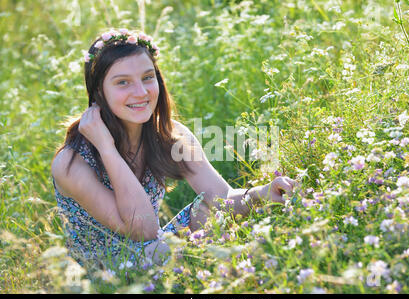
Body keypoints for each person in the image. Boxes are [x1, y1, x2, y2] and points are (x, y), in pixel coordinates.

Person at [51, 28, 296, 269]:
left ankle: (217, 272)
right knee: (167, 248)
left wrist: (261, 194)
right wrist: (106, 148)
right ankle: (211, 268)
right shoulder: (72, 162)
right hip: (104, 274)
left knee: (209, 209)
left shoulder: (169, 135)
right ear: (98, 92)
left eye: (148, 77)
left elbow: (221, 199)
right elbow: (143, 229)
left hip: (156, 249)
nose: (141, 92)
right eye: (122, 82)